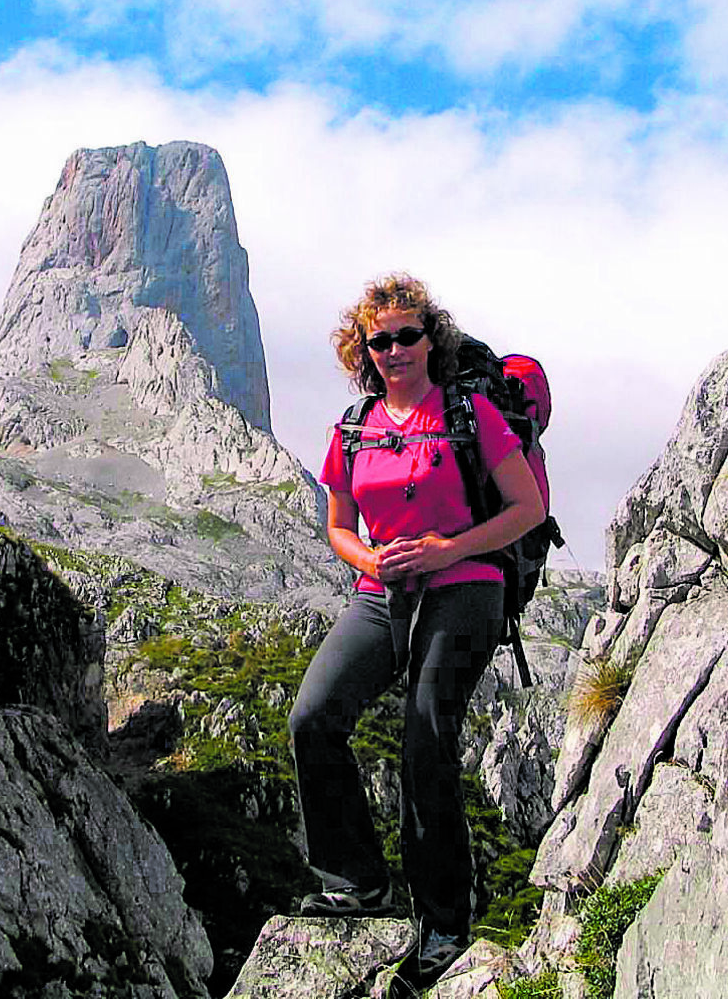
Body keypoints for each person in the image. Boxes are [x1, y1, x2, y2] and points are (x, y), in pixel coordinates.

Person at [289, 273, 545, 990]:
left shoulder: (469, 414)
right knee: (314, 717)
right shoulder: (353, 428)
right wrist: (370, 557)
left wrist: (447, 550)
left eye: (407, 335)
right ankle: (355, 881)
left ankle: (442, 924)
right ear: (362, 350)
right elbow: (338, 524)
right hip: (382, 591)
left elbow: (524, 508)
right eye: (380, 340)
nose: (394, 349)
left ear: (432, 339)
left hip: (466, 587)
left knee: (426, 733)